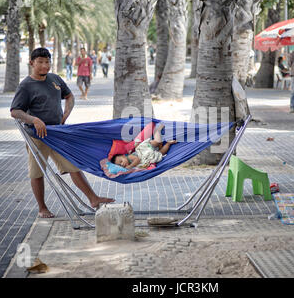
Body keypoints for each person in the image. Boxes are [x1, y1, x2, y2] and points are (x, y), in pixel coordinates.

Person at [10, 47, 114, 218]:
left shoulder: (54, 79)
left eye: (47, 62)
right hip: (37, 135)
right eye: (40, 62)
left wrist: (66, 114)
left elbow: (70, 96)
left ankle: (93, 199)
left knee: (73, 166)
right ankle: (42, 208)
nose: (45, 66)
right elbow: (15, 111)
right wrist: (34, 120)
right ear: (32, 63)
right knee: (37, 173)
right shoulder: (26, 86)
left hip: (58, 134)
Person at [111, 124, 177, 169]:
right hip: (148, 156)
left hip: (145, 149)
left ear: (123, 156)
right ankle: (168, 143)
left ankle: (157, 130)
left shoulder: (129, 157)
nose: (122, 164)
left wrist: (131, 166)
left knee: (157, 141)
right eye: (120, 165)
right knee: (161, 153)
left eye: (121, 161)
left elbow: (137, 159)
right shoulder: (129, 160)